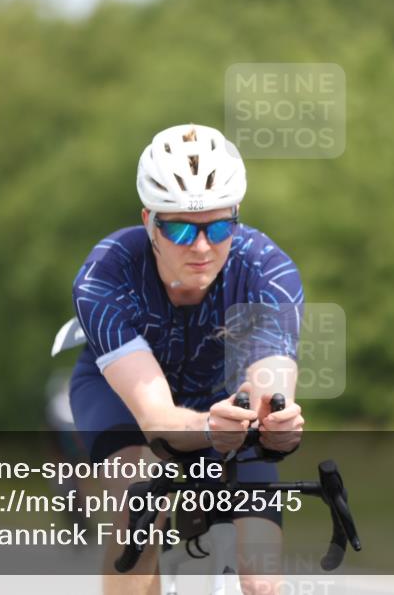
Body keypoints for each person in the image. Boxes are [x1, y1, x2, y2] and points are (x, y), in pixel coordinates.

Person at [70, 123, 305, 595]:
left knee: (262, 578)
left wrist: (275, 421)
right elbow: (155, 418)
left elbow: (268, 386)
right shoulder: (106, 273)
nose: (201, 246)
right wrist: (205, 431)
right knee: (139, 511)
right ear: (148, 221)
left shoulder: (267, 270)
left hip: (224, 397)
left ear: (237, 217)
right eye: (178, 227)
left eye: (219, 227)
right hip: (122, 396)